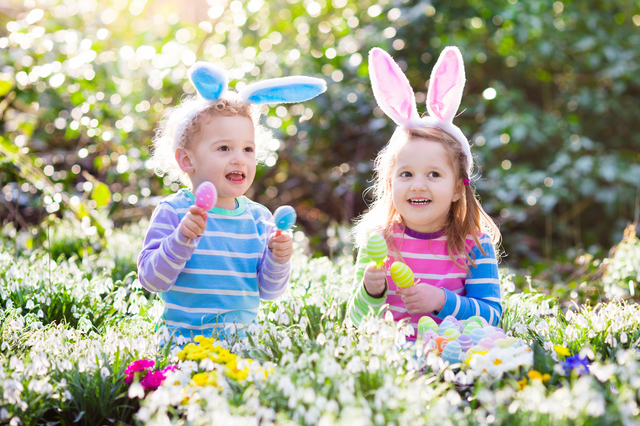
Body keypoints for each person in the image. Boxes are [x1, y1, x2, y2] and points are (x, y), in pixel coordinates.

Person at [138, 61, 325, 342]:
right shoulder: (175, 212)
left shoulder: (259, 219)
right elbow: (152, 280)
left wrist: (279, 258)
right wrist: (182, 239)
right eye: (224, 148)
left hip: (243, 344)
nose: (239, 158)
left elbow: (269, 292)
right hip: (182, 343)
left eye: (248, 149)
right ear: (187, 159)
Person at [347, 47, 502, 339]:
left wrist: (442, 301)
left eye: (434, 174)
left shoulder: (474, 245)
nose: (418, 185)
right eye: (406, 174)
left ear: (458, 188)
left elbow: (492, 315)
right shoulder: (380, 241)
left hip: (455, 358)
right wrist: (371, 290)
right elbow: (355, 321)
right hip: (394, 362)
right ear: (390, 183)